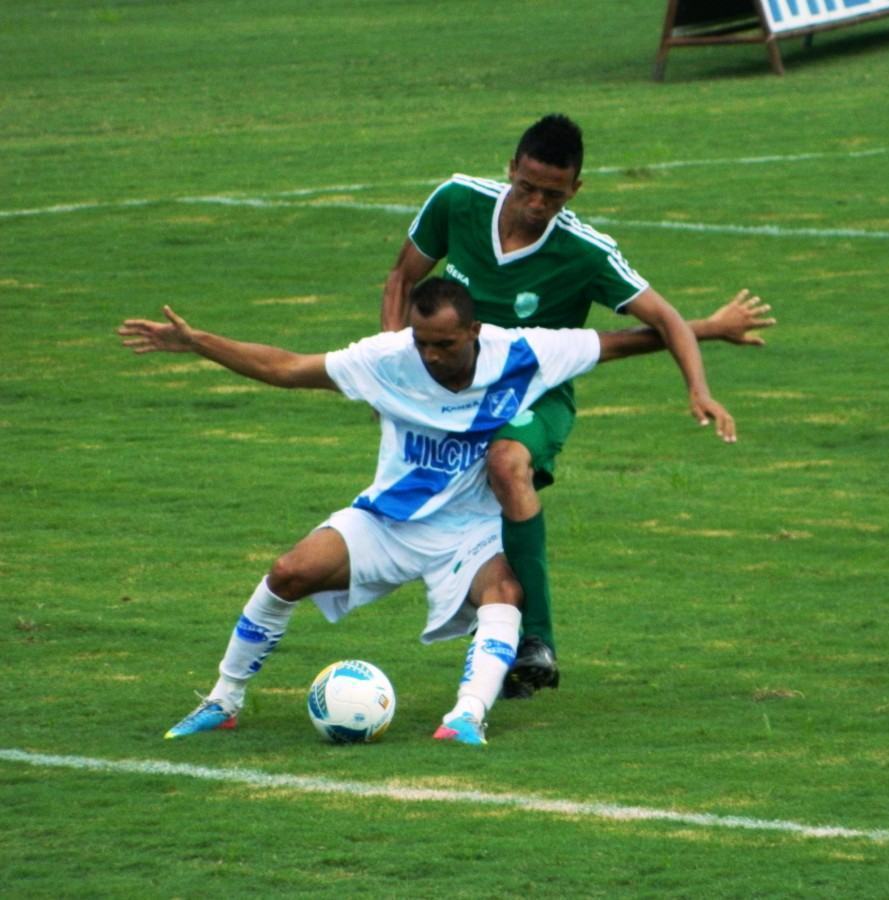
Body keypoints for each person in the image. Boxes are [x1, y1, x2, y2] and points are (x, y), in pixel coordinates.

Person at [117, 278, 754, 746]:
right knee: (288, 572)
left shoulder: (524, 352)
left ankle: (466, 718)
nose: (430, 355)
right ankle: (223, 700)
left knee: (505, 590)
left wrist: (707, 328)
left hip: (470, 531)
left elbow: (620, 341)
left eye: (444, 343)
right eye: (423, 342)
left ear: (474, 331)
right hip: (389, 521)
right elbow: (286, 368)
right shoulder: (387, 357)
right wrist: (198, 341)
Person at [381, 113, 775, 697]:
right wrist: (397, 374)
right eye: (528, 187)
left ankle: (534, 637)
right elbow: (399, 280)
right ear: (510, 169)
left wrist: (700, 388)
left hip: (535, 399)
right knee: (438, 519)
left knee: (507, 465)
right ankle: (497, 632)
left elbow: (662, 319)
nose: (537, 203)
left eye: (554, 195)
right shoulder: (457, 200)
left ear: (577, 191)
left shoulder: (585, 252)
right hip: (451, 397)